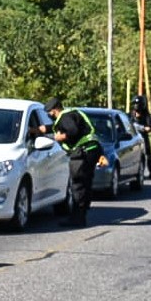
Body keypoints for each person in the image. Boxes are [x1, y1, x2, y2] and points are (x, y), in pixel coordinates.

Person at [38, 96, 101, 227]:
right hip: (91, 149)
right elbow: (62, 126)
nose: (49, 115)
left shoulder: (65, 117)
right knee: (85, 182)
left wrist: (60, 137)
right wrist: (42, 129)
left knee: (77, 185)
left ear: (54, 110)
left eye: (49, 113)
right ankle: (83, 212)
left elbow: (72, 130)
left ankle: (77, 219)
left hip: (82, 153)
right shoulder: (72, 113)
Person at [131, 94, 151, 179]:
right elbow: (127, 125)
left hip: (143, 137)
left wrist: (138, 127)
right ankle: (136, 173)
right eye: (135, 104)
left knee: (148, 155)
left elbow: (149, 128)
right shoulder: (131, 114)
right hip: (133, 138)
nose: (136, 106)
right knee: (134, 155)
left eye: (138, 104)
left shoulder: (146, 115)